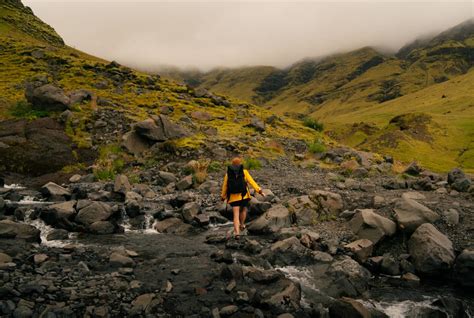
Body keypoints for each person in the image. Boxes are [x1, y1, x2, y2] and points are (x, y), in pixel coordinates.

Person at [221, 157, 264, 239]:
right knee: (244, 209)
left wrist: (223, 197)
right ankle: (242, 224)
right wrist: (259, 191)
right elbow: (252, 182)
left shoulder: (228, 174)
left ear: (232, 164)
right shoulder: (244, 172)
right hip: (244, 196)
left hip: (233, 197)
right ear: (240, 164)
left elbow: (225, 186)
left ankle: (237, 233)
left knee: (235, 215)